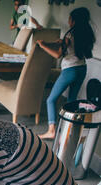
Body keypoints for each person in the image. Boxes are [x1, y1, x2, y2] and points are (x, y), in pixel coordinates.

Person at [38, 7, 95, 140]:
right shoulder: (86, 34)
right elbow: (74, 48)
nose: (68, 21)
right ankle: (70, 129)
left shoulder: (69, 35)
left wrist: (42, 46)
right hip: (82, 68)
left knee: (51, 99)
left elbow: (58, 55)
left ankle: (51, 130)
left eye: (70, 19)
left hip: (70, 70)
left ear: (74, 21)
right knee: (72, 100)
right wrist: (62, 43)